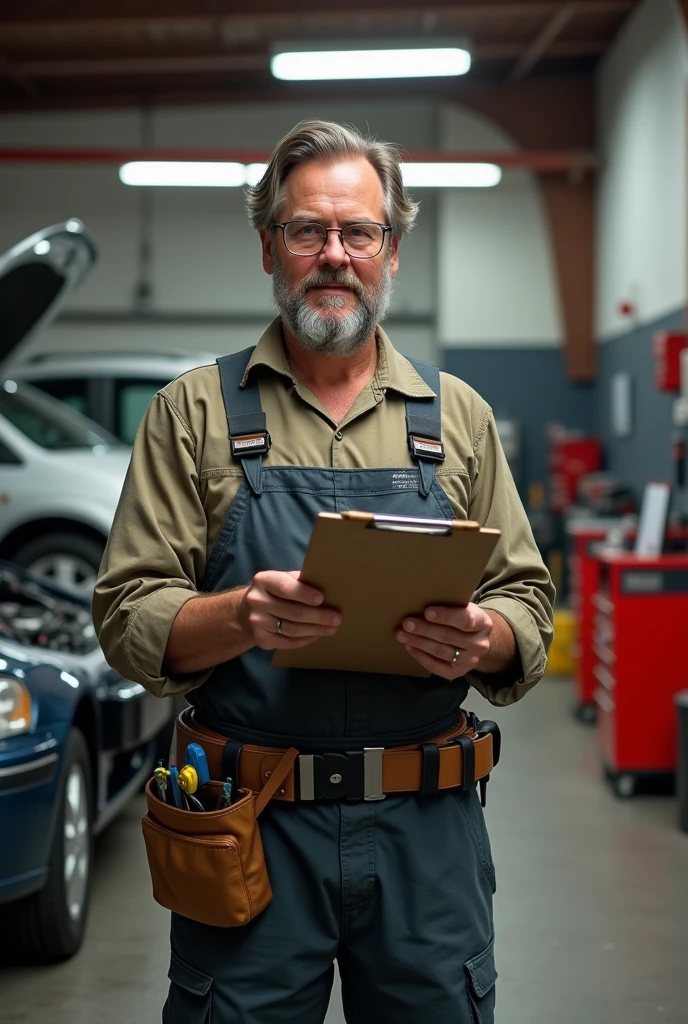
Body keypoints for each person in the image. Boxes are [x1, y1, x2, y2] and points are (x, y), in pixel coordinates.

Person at [93, 119, 554, 1024]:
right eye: (308, 230)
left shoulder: (455, 418)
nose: (334, 254)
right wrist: (239, 617)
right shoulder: (191, 413)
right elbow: (127, 612)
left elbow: (528, 599)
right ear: (269, 244)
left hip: (428, 835)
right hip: (248, 826)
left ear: (393, 249)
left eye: (360, 233)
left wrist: (486, 636)